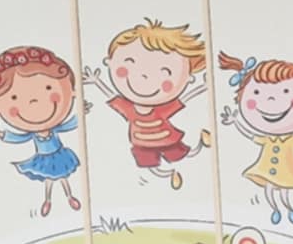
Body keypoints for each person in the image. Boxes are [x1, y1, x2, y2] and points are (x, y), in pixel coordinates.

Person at [0, 46, 83, 216]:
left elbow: (69, 124)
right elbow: (17, 137)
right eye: (14, 98)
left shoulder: (55, 129)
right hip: (44, 159)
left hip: (59, 155)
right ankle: (48, 200)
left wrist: (81, 112)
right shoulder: (33, 134)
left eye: (47, 88)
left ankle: (70, 196)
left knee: (63, 177)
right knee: (49, 180)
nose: (33, 102)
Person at [84, 20, 211, 188]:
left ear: (188, 78)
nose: (144, 76)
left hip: (168, 139)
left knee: (184, 154)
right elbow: (111, 96)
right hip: (141, 144)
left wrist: (203, 87)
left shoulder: (161, 109)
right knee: (151, 166)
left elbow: (184, 98)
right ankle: (171, 175)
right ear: (109, 62)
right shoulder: (128, 109)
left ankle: (201, 143)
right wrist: (97, 81)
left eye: (165, 72)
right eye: (130, 62)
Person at [215, 53, 293, 225]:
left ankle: (288, 208)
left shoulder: (291, 139)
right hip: (266, 169)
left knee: (284, 189)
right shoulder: (266, 139)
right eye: (256, 92)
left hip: (287, 169)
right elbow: (250, 135)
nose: (271, 99)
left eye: (286, 91)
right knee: (270, 187)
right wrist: (235, 121)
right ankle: (275, 209)